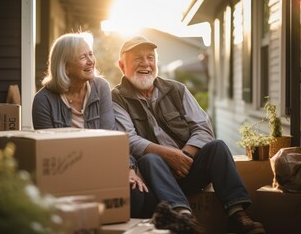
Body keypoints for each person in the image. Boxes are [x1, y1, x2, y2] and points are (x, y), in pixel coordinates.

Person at [111, 35, 266, 234]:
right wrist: (168, 155)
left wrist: (184, 156)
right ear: (122, 66)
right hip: (154, 179)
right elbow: (128, 139)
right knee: (150, 159)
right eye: (137, 59)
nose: (146, 63)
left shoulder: (177, 89)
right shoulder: (117, 98)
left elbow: (203, 127)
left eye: (150, 57)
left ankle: (237, 215)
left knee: (217, 146)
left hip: (187, 168)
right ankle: (185, 219)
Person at [31, 31, 156, 218]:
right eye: (83, 57)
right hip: (66, 173)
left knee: (140, 197)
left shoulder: (100, 87)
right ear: (65, 67)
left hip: (101, 168)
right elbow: (49, 153)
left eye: (91, 54)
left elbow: (110, 137)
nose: (91, 61)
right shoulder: (43, 101)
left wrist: (128, 169)